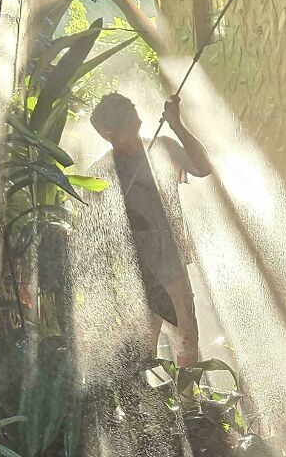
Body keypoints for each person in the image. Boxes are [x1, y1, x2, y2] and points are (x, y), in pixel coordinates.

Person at [88, 91, 211, 367]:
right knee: (141, 352)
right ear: (108, 133)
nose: (132, 115)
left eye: (130, 107)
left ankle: (190, 406)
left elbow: (203, 168)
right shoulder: (100, 174)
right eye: (124, 115)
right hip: (134, 278)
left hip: (172, 266)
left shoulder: (162, 148)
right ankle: (148, 407)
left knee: (187, 339)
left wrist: (176, 124)